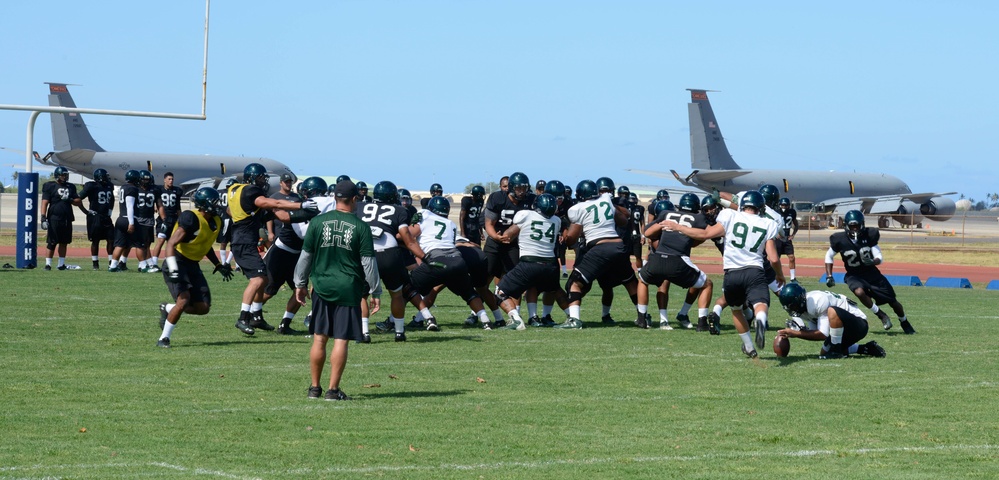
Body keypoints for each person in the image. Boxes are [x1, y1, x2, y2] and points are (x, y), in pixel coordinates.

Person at [662, 191, 783, 358]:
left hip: (732, 273)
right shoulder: (768, 224)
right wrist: (780, 275)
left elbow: (705, 234)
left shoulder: (729, 215)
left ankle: (749, 347)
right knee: (760, 302)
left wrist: (678, 227)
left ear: (743, 205)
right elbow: (774, 258)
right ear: (760, 208)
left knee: (736, 310)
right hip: (755, 270)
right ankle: (760, 318)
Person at [295, 180, 379, 401]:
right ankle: (333, 390)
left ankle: (314, 388)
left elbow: (305, 257)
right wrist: (376, 291)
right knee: (341, 339)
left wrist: (299, 283)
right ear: (354, 199)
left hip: (321, 286)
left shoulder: (317, 222)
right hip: (348, 288)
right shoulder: (361, 227)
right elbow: (369, 263)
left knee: (319, 338)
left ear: (334, 197)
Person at [228, 163, 317, 336]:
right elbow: (273, 202)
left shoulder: (239, 191)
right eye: (261, 177)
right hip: (247, 242)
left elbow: (281, 215)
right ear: (253, 177)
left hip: (247, 240)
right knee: (259, 281)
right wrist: (302, 207)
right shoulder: (251, 192)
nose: (264, 181)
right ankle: (243, 318)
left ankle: (258, 316)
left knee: (265, 279)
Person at [156, 188, 234, 347]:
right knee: (184, 300)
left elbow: (205, 244)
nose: (217, 205)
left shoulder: (216, 221)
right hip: (177, 260)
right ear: (204, 204)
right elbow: (171, 243)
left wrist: (218, 264)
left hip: (193, 264)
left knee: (203, 307)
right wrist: (172, 267)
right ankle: (164, 338)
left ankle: (168, 308)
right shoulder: (191, 218)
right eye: (214, 202)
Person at [357, 180, 434, 341]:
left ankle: (364, 333)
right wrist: (424, 257)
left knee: (361, 296)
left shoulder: (360, 207)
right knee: (396, 294)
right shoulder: (399, 210)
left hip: (365, 253)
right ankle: (399, 332)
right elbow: (409, 240)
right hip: (389, 254)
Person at [557, 179, 639, 329]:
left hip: (599, 248)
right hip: (618, 246)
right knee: (630, 282)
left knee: (574, 283)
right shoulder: (607, 201)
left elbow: (572, 240)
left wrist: (567, 235)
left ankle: (574, 319)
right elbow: (623, 221)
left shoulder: (577, 208)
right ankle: (643, 315)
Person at [403, 196, 494, 329]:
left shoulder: (425, 214)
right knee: (469, 293)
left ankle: (419, 318)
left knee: (407, 288)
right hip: (457, 261)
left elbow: (409, 234)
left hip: (436, 260)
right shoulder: (450, 224)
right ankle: (485, 320)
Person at [825, 210, 915, 334]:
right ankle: (881, 315)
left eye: (857, 226)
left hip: (872, 274)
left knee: (893, 302)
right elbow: (828, 256)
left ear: (862, 224)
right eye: (852, 226)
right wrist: (829, 275)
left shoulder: (869, 235)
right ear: (846, 226)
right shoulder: (839, 239)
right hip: (854, 275)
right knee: (859, 292)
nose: (855, 229)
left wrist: (873, 261)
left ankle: (904, 321)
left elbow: (879, 256)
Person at [493, 193, 571, 329]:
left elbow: (508, 236)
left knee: (500, 292)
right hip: (551, 264)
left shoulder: (526, 215)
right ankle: (572, 317)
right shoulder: (556, 221)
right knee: (555, 290)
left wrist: (503, 236)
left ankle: (515, 319)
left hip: (530, 262)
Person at [638, 193, 713, 331]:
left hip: (658, 257)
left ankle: (642, 318)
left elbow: (647, 233)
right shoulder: (699, 217)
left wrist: (663, 226)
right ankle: (702, 322)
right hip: (678, 260)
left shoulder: (667, 213)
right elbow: (706, 234)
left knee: (643, 280)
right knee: (706, 284)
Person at [261, 175, 315, 335]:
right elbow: (302, 233)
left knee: (301, 289)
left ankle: (285, 323)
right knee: (270, 290)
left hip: (296, 255)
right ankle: (251, 313)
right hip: (281, 252)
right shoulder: (300, 206)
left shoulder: (309, 204)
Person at [776, 283, 886, 359]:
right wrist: (802, 330)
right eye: (789, 307)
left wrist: (796, 333)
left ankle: (836, 351)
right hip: (842, 329)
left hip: (858, 324)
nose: (792, 310)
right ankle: (866, 348)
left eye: (793, 306)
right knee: (824, 353)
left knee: (832, 311)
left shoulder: (817, 301)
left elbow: (823, 334)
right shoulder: (803, 308)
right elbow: (815, 333)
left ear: (800, 300)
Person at [483, 172, 535, 292]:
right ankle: (477, 310)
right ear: (511, 188)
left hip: (515, 243)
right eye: (518, 188)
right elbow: (489, 224)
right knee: (485, 275)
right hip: (494, 241)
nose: (522, 191)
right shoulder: (497, 198)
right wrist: (496, 237)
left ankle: (514, 309)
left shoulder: (531, 200)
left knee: (514, 277)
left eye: (524, 188)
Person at [40, 166, 83, 270]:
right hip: (54, 218)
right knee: (52, 242)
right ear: (57, 175)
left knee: (64, 242)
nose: (65, 177)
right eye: (63, 175)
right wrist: (43, 217)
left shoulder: (71, 186)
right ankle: (48, 264)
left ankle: (61, 264)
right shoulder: (50, 186)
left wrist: (69, 199)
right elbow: (44, 203)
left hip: (67, 218)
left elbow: (78, 201)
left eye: (65, 175)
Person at [77, 168, 115, 270]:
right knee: (95, 241)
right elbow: (78, 199)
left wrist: (110, 211)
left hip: (106, 217)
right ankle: (95, 263)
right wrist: (86, 211)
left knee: (111, 239)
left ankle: (111, 262)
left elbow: (112, 199)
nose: (107, 178)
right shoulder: (91, 186)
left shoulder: (109, 185)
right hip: (95, 216)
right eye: (105, 176)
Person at [109, 170, 143, 272]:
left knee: (120, 245)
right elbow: (129, 206)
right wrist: (131, 222)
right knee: (139, 244)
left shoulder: (124, 187)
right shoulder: (132, 188)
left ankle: (113, 266)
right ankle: (143, 265)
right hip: (128, 218)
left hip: (121, 218)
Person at [150, 172, 184, 268]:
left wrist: (180, 219)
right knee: (160, 240)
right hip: (163, 219)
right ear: (164, 180)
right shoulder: (159, 190)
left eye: (172, 179)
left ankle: (169, 263)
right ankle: (154, 263)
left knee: (172, 243)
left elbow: (178, 207)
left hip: (174, 219)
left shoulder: (177, 191)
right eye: (169, 179)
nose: (171, 181)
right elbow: (153, 199)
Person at [133, 170, 162, 273]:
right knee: (140, 244)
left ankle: (149, 264)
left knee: (147, 244)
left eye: (147, 179)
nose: (146, 181)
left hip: (149, 220)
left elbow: (160, 205)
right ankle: (142, 265)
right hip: (139, 219)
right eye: (144, 179)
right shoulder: (135, 189)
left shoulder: (154, 189)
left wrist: (164, 219)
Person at [776, 197, 800, 281]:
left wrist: (793, 234)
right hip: (778, 239)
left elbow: (796, 224)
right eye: (782, 205)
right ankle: (774, 276)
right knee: (775, 259)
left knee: (792, 258)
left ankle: (793, 278)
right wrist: (775, 234)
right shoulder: (775, 212)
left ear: (788, 206)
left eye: (785, 205)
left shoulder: (792, 212)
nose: (784, 207)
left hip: (787, 237)